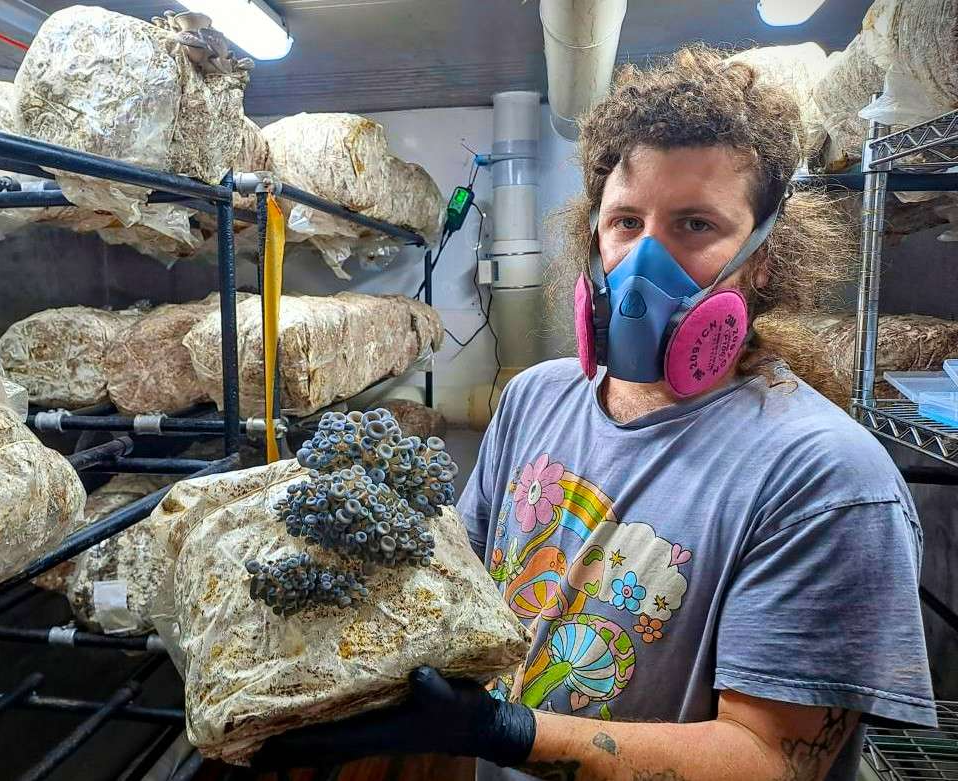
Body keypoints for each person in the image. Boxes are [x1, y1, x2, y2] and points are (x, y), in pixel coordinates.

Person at [254, 46, 937, 781]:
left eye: (696, 225)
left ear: (765, 257)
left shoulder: (828, 478)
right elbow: (463, 597)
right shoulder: (534, 398)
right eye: (627, 222)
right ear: (594, 234)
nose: (647, 260)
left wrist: (507, 732)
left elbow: (771, 758)